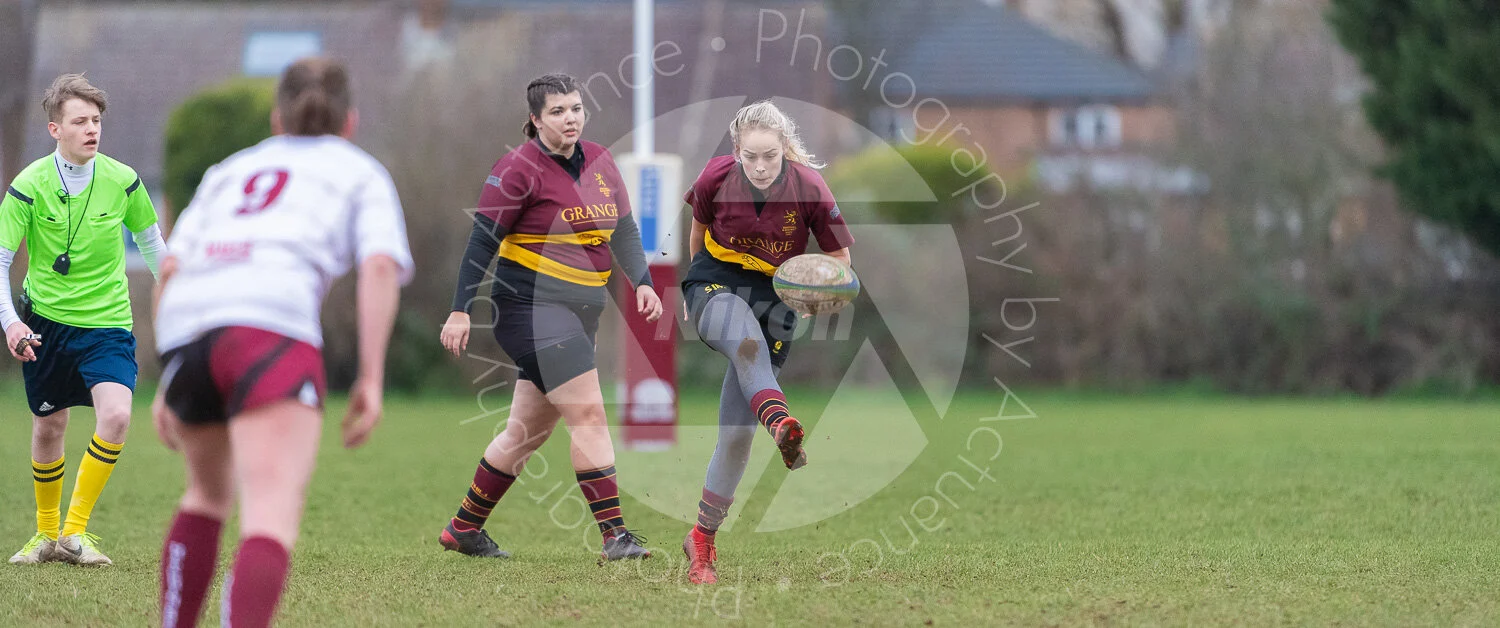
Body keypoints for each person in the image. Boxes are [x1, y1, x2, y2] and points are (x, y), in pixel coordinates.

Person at [151, 57, 413, 627]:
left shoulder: (230, 170)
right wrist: (370, 375)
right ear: (350, 122)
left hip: (187, 325)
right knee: (268, 513)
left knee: (204, 495)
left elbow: (171, 265)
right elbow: (379, 267)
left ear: (276, 119)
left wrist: (164, 381)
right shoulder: (359, 170)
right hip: (269, 323)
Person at [437, 73, 663, 562]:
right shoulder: (517, 169)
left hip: (581, 315)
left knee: (525, 432)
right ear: (536, 120)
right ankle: (615, 536)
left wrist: (643, 281)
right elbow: (481, 244)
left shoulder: (602, 162)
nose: (571, 118)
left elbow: (623, 231)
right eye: (558, 111)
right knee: (589, 414)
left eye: (577, 108)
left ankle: (464, 528)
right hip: (530, 312)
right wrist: (459, 310)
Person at [678, 101, 855, 584]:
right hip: (715, 282)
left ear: (784, 151)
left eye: (769, 157)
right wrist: (693, 288)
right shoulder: (715, 176)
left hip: (777, 297)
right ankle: (781, 423)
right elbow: (697, 231)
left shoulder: (810, 188)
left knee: (736, 437)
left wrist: (819, 291)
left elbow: (839, 262)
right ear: (736, 151)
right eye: (750, 156)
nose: (759, 166)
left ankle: (702, 540)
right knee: (746, 344)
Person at [2, 73, 166, 566]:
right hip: (44, 323)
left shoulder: (123, 179)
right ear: (55, 129)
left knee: (115, 415)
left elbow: (154, 247)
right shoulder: (28, 186)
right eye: (79, 121)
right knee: (49, 425)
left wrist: (183, 305)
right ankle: (45, 535)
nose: (91, 129)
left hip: (108, 323)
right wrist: (11, 322)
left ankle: (75, 532)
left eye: (96, 120)